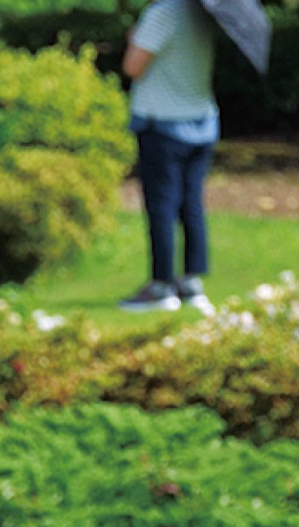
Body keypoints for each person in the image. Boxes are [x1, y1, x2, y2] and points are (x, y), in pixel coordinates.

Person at [120, 0, 218, 311]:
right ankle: (190, 281)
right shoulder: (204, 13)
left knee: (161, 206)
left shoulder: (163, 13)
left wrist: (135, 39)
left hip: (163, 123)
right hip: (202, 122)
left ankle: (161, 285)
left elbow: (133, 66)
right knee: (191, 204)